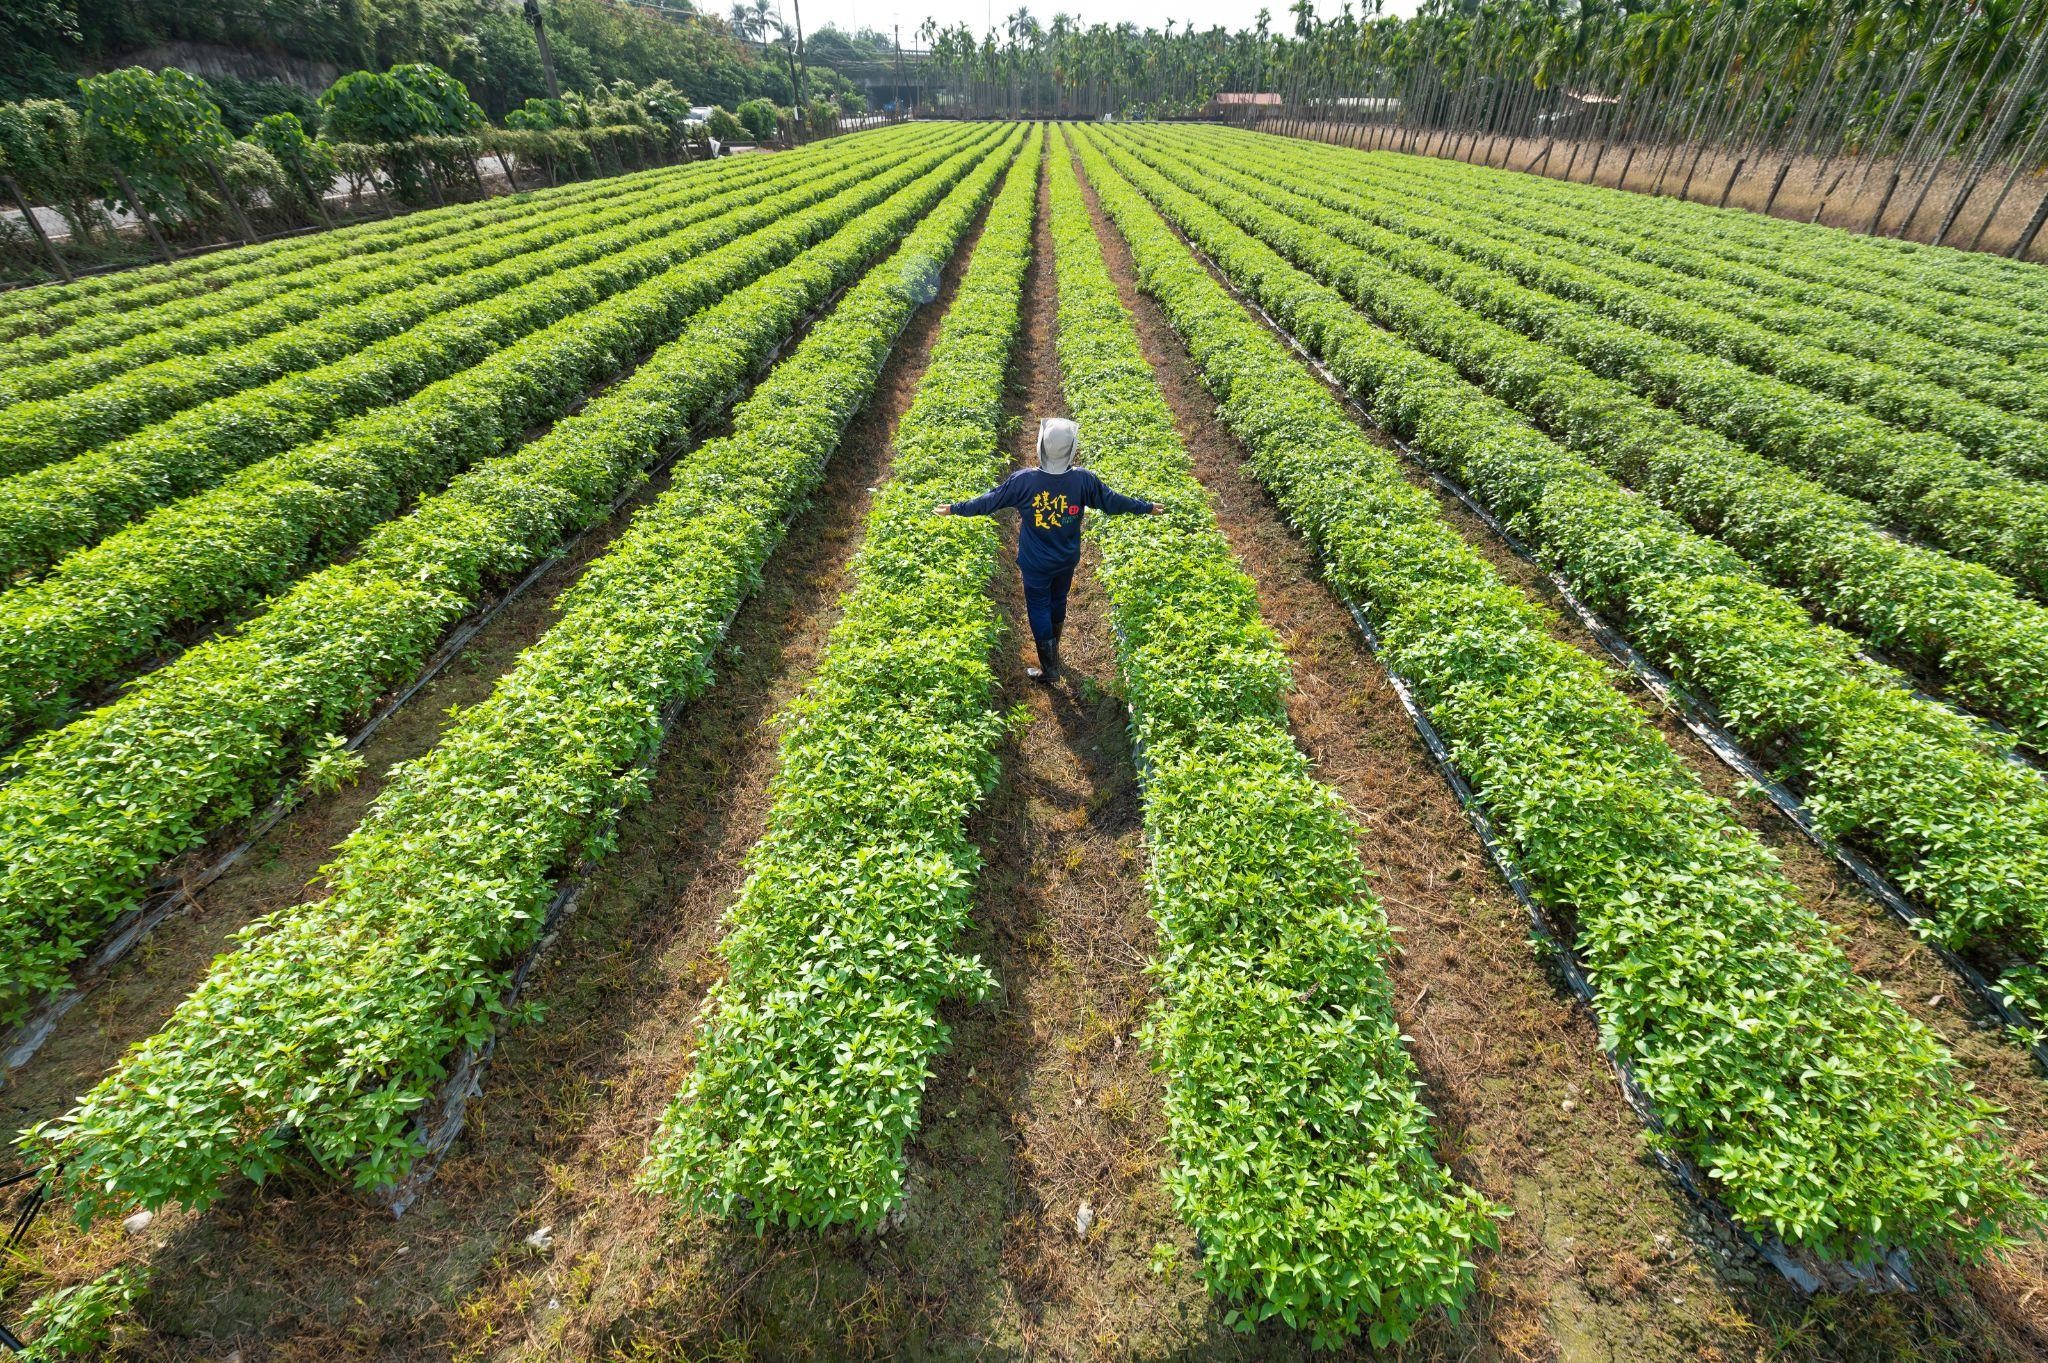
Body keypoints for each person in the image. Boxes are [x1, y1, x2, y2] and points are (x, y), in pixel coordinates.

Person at [935, 417, 1166, 683]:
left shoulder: (1023, 481)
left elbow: (989, 501)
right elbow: (1113, 502)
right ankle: (1053, 653)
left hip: (1035, 563)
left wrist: (955, 509)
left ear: (1041, 446)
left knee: (1038, 606)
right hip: (1066, 558)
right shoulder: (1083, 480)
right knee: (1058, 599)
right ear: (1071, 449)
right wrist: (1145, 507)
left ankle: (1049, 667)